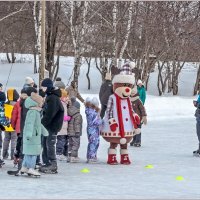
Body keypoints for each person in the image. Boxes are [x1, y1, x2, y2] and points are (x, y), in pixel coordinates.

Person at [7, 87, 37, 175]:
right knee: (23, 147)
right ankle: (23, 165)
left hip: (21, 128)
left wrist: (13, 125)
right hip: (24, 129)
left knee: (20, 146)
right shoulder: (27, 103)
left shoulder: (19, 103)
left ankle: (21, 165)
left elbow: (14, 116)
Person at [20, 92, 48, 177]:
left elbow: (38, 124)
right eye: (41, 102)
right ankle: (31, 168)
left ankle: (24, 167)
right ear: (36, 103)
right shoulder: (33, 112)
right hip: (32, 136)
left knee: (29, 152)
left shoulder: (35, 111)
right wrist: (28, 134)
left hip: (33, 135)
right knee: (33, 153)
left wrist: (44, 131)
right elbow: (30, 124)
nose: (42, 104)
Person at [40, 78, 64, 173]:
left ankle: (52, 164)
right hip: (48, 125)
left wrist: (41, 123)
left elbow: (50, 114)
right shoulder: (49, 96)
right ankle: (47, 162)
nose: (42, 89)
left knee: (49, 144)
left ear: (48, 87)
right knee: (45, 143)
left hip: (52, 126)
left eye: (44, 87)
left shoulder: (53, 98)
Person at [2, 88, 19, 160]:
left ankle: (4, 154)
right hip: (13, 125)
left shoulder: (5, 104)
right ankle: (13, 155)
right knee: (14, 139)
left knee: (6, 139)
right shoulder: (17, 104)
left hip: (6, 125)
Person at [85, 97, 102, 163]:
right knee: (93, 143)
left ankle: (92, 155)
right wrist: (102, 121)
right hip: (93, 130)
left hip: (94, 130)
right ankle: (91, 157)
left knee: (95, 143)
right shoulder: (92, 112)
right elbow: (95, 122)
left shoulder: (91, 111)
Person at [56, 89, 70, 161]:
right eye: (65, 97)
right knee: (61, 140)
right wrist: (69, 118)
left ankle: (61, 153)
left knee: (63, 140)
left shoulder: (64, 104)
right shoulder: (62, 104)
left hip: (64, 126)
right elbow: (63, 117)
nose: (67, 98)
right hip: (61, 126)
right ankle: (58, 153)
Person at [67, 97, 82, 163]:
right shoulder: (78, 115)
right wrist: (77, 131)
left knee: (70, 144)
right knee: (76, 145)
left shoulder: (70, 113)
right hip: (75, 133)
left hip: (70, 132)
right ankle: (73, 157)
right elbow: (77, 124)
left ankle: (69, 156)